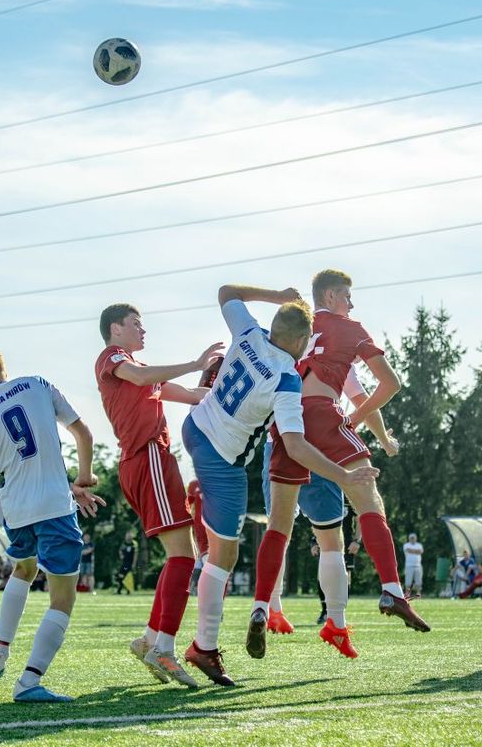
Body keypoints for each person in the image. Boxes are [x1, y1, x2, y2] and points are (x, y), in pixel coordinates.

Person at [181, 283, 380, 686]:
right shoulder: (287, 378)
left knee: (227, 546)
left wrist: (279, 295)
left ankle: (222, 617)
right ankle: (202, 647)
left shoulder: (250, 333)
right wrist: (342, 475)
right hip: (223, 459)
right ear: (304, 340)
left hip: (195, 428)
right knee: (223, 555)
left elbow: (225, 293)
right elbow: (295, 445)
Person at [251, 269, 428, 663]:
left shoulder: (298, 331)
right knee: (368, 503)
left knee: (279, 527)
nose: (352, 304)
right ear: (331, 296)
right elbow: (389, 385)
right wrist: (355, 420)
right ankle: (393, 590)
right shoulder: (347, 328)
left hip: (284, 425)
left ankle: (263, 606)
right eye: (348, 295)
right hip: (321, 415)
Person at [0, 347, 105, 703]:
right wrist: (83, 479)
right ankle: (29, 681)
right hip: (53, 507)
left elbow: (18, 466)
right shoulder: (38, 384)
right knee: (63, 598)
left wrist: (66, 486)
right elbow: (83, 434)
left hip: (16, 508)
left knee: (23, 570)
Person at [95, 306, 224, 687]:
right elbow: (141, 374)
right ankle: (163, 649)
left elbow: (193, 394)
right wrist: (195, 361)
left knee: (179, 557)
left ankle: (152, 639)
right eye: (136, 323)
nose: (143, 329)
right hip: (148, 457)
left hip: (148, 461)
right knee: (185, 557)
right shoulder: (115, 359)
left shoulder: (140, 374)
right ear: (115, 329)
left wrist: (235, 390)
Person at [254, 364, 399, 658]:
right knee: (331, 540)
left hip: (279, 443)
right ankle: (336, 623)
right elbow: (363, 401)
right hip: (319, 448)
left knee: (278, 529)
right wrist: (384, 439)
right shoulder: (336, 354)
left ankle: (272, 608)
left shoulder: (284, 353)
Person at [403, 533, 424, 599]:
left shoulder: (419, 545)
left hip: (418, 566)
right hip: (409, 566)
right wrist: (416, 551)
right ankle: (407, 594)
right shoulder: (406, 545)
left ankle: (418, 594)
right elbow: (408, 550)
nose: (412, 539)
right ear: (409, 539)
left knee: (418, 582)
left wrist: (412, 551)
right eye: (411, 538)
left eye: (413, 538)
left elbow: (420, 551)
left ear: (416, 538)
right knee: (408, 582)